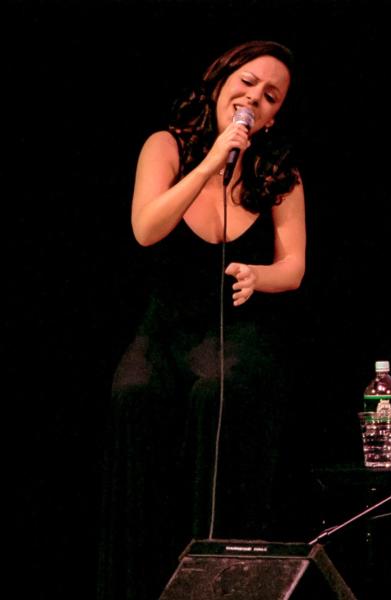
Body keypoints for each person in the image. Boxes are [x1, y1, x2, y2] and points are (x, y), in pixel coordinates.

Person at [98, 40, 306, 600]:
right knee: (134, 393)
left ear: (273, 115)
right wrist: (213, 161)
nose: (253, 98)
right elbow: (146, 227)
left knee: (222, 390)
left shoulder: (278, 171)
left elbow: (294, 266)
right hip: (165, 326)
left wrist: (261, 276)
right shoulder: (166, 146)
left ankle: (220, 584)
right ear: (221, 81)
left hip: (236, 332)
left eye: (269, 96)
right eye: (247, 82)